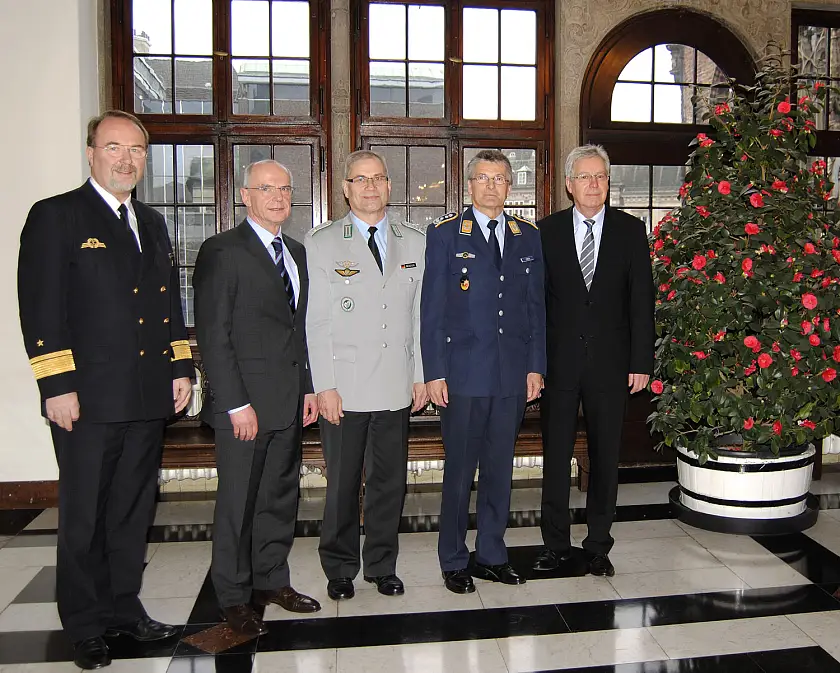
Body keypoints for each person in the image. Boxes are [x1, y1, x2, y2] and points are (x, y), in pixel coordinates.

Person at [17, 110, 193, 670]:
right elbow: (41, 308)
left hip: (144, 396)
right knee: (84, 515)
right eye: (113, 148)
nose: (126, 159)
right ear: (90, 152)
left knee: (131, 512)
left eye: (136, 150)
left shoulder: (152, 222)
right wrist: (56, 385)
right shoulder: (58, 216)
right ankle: (86, 623)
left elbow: (169, 305)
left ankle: (124, 610)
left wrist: (180, 368)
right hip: (86, 400)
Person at [193, 160, 321, 637]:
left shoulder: (296, 252)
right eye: (267, 188)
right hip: (243, 408)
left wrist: (307, 388)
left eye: (285, 188)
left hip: (288, 402)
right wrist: (232, 403)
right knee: (236, 506)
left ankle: (272, 580)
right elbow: (214, 334)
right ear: (245, 195)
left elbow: (299, 331)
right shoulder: (221, 251)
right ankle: (232, 595)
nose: (278, 197)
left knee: (279, 498)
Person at [421, 149, 546, 595]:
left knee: (499, 470)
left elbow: (536, 310)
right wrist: (434, 372)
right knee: (459, 472)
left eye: (501, 179)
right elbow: (431, 311)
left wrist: (536, 366)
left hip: (512, 374)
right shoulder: (445, 235)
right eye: (484, 178)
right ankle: (453, 558)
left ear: (510, 186)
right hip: (463, 375)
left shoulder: (527, 236)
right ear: (469, 185)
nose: (493, 186)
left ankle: (492, 553)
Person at [305, 149, 428, 601]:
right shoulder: (321, 243)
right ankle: (339, 567)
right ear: (345, 187)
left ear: (389, 186)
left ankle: (381, 564)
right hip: (345, 388)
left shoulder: (415, 240)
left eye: (378, 178)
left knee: (389, 482)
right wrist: (324, 386)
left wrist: (420, 375)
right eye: (360, 179)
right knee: (341, 484)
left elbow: (418, 317)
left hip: (396, 383)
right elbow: (316, 322)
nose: (370, 187)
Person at [534, 144, 655, 578]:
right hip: (558, 365)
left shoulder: (629, 230)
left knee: (606, 459)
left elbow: (642, 301)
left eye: (600, 176)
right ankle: (555, 544)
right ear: (569, 184)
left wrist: (642, 361)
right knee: (556, 457)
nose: (592, 184)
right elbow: (535, 304)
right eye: (584, 176)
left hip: (612, 364)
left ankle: (599, 544)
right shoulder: (544, 232)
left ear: (608, 182)